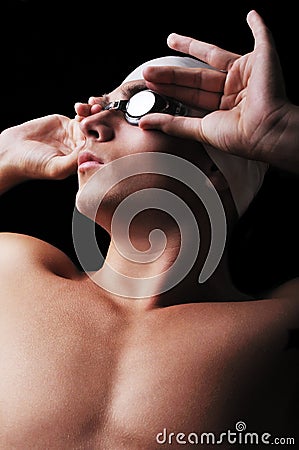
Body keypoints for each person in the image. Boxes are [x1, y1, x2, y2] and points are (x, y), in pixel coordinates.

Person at [0, 9, 298, 450]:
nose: (90, 123)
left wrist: (284, 133)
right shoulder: (13, 271)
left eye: (140, 106)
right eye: (102, 106)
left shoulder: (280, 327)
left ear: (216, 167)